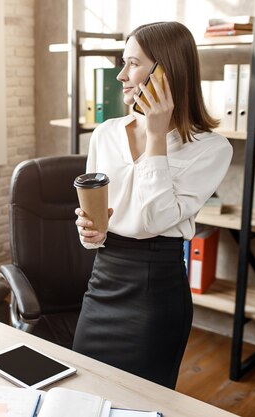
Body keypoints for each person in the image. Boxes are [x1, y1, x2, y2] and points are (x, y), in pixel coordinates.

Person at [72, 21, 233, 389]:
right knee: (84, 391)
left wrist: (156, 135)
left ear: (166, 70)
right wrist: (89, 233)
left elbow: (155, 219)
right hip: (103, 282)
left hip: (155, 292)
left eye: (132, 63)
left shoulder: (212, 149)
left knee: (140, 402)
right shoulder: (105, 133)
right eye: (122, 63)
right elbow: (94, 231)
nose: (121, 75)